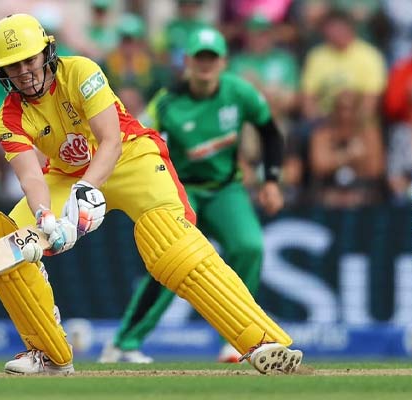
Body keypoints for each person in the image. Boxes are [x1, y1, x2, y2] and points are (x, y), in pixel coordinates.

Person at [0, 13, 303, 375]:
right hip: (66, 176)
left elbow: (111, 142)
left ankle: (260, 342)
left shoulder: (81, 71)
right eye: (13, 66)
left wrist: (85, 192)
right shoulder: (8, 118)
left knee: (172, 245)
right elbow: (31, 178)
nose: (24, 72)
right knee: (9, 247)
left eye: (29, 60)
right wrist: (46, 218)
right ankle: (47, 353)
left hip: (131, 158)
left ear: (47, 52)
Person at [99, 26, 288, 364]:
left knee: (249, 246)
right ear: (186, 61)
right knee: (172, 261)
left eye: (211, 58)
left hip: (225, 189)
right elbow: (136, 138)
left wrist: (270, 180)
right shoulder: (168, 100)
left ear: (223, 61)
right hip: (180, 189)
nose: (205, 65)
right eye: (199, 58)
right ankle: (125, 343)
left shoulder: (239, 92)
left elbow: (269, 131)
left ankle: (240, 340)